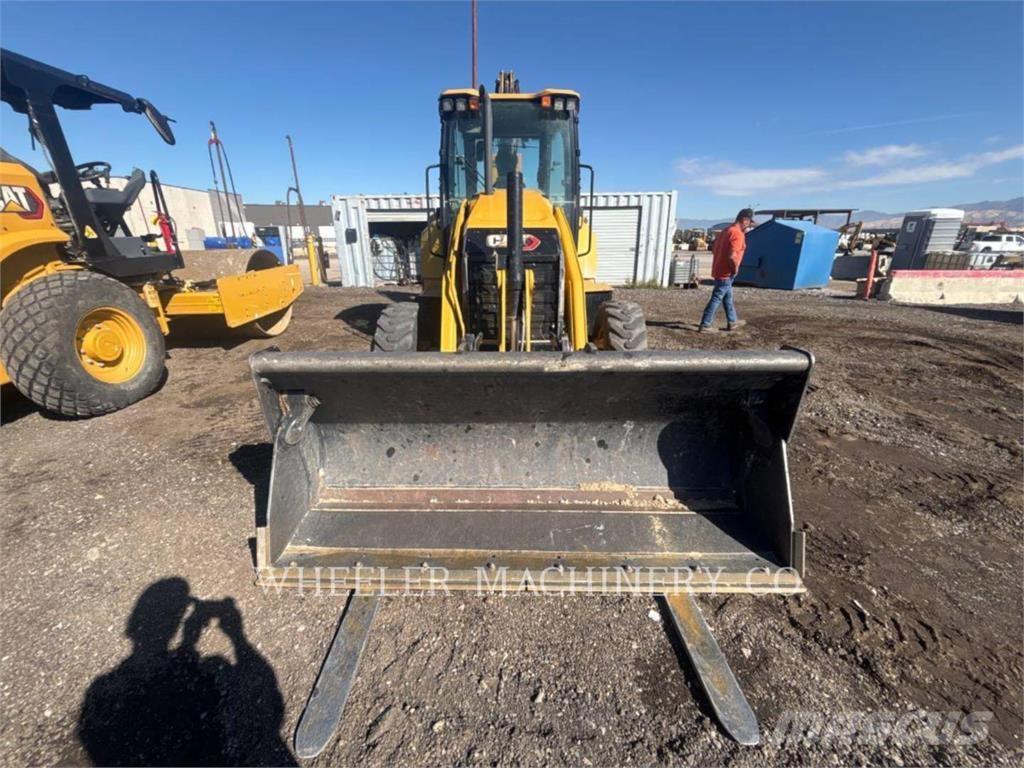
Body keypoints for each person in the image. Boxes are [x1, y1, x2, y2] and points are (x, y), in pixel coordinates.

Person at [698, 208, 755, 332]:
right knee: (717, 297)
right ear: (745, 220)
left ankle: (732, 321)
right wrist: (735, 269)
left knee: (727, 297)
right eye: (750, 222)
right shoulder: (737, 234)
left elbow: (714, 249)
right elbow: (732, 255)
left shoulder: (726, 230)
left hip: (719, 268)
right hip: (727, 272)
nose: (749, 225)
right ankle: (705, 324)